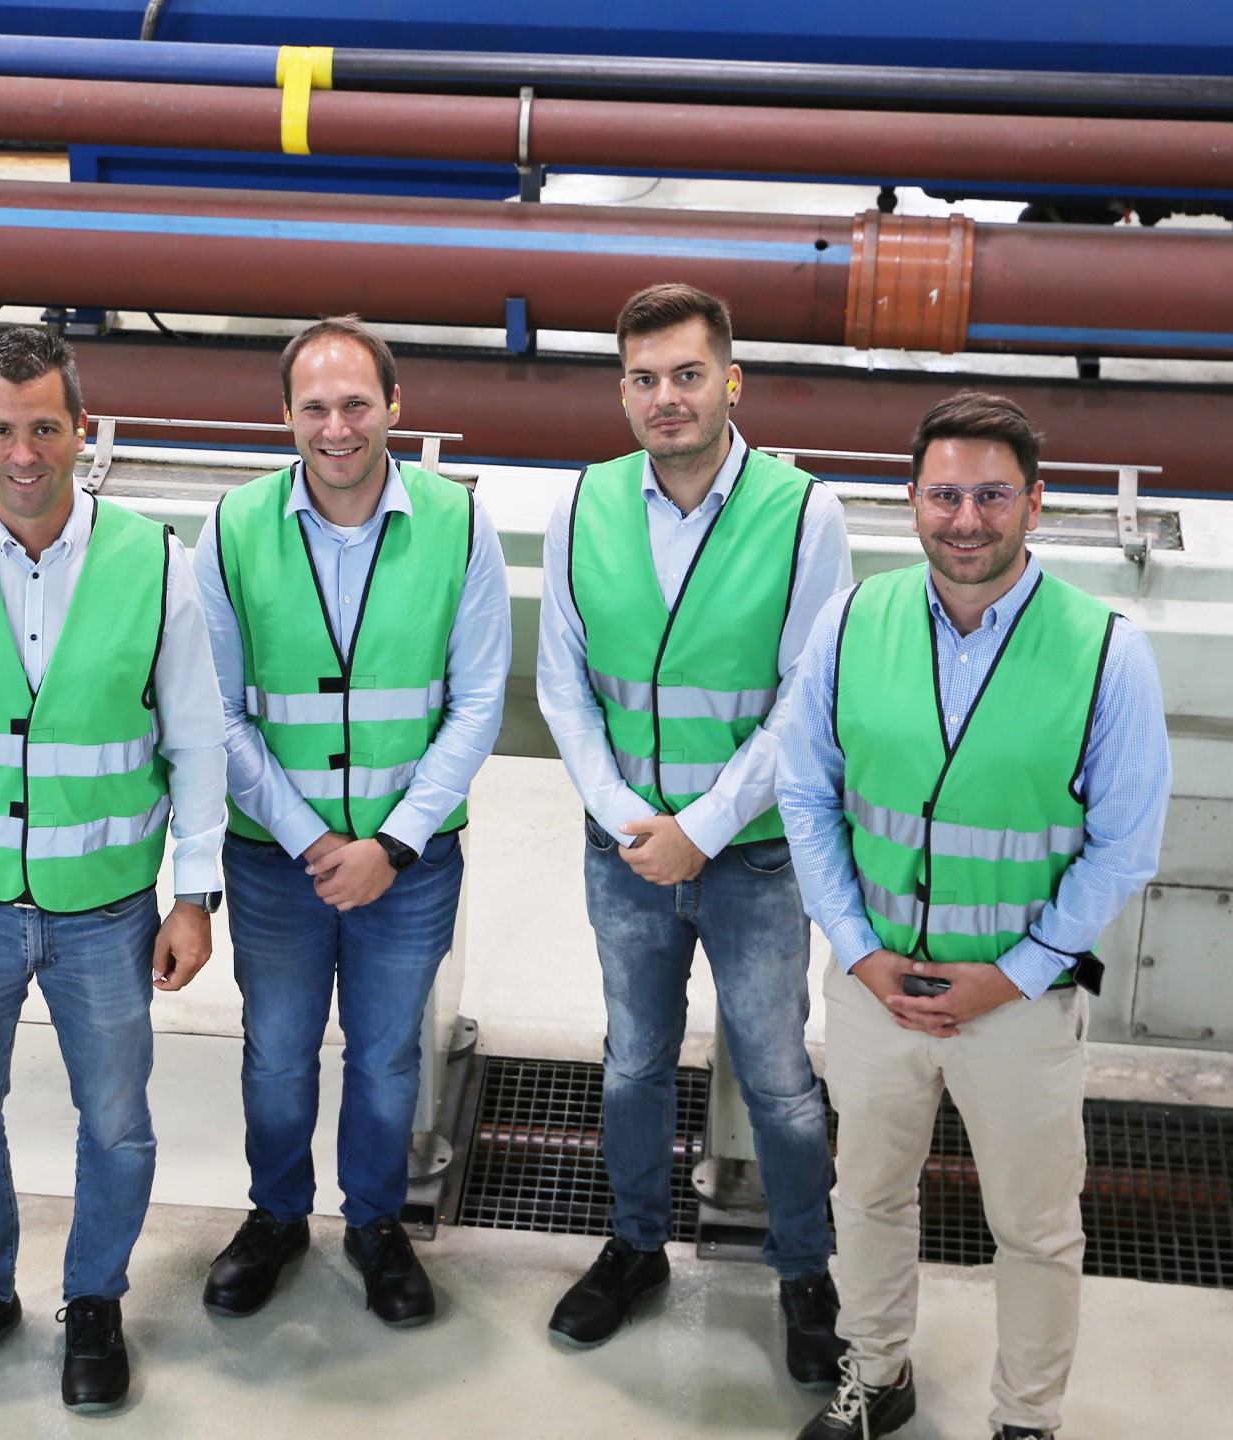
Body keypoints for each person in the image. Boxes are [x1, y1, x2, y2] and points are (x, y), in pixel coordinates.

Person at [773, 392, 1170, 1440]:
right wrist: (858, 950)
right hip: (876, 989)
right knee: (866, 1200)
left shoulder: (1105, 652)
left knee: (1034, 1230)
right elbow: (806, 793)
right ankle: (877, 1377)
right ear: (911, 500)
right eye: (944, 496)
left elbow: (1124, 844)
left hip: (1018, 1004)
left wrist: (1016, 972)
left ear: (1034, 504)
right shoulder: (851, 623)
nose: (966, 519)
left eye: (992, 496)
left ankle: (1026, 1418)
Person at [0, 326, 225, 1414]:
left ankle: (94, 1299)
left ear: (82, 431)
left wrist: (193, 896)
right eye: (2, 430)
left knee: (115, 1122)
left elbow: (195, 738)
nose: (24, 454)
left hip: (105, 910)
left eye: (46, 429)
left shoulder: (155, 561)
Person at [534, 283, 853, 1378]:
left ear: (731, 382)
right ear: (621, 392)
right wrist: (627, 816)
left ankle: (805, 1271)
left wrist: (705, 828)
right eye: (643, 378)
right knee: (632, 1062)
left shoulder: (803, 514)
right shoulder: (583, 505)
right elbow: (564, 685)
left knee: (776, 1075)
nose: (665, 397)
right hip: (624, 850)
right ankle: (635, 1247)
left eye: (686, 374)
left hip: (754, 857)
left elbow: (806, 700)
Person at [190, 316, 508, 1326]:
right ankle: (277, 1215)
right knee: (277, 1051)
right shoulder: (234, 526)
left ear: (394, 408)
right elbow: (216, 709)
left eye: (357, 404)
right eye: (317, 407)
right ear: (285, 415)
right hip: (275, 859)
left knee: (386, 1057)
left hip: (410, 862)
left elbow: (478, 700)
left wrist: (393, 843)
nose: (338, 428)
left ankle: (375, 1224)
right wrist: (313, 840)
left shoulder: (459, 524)